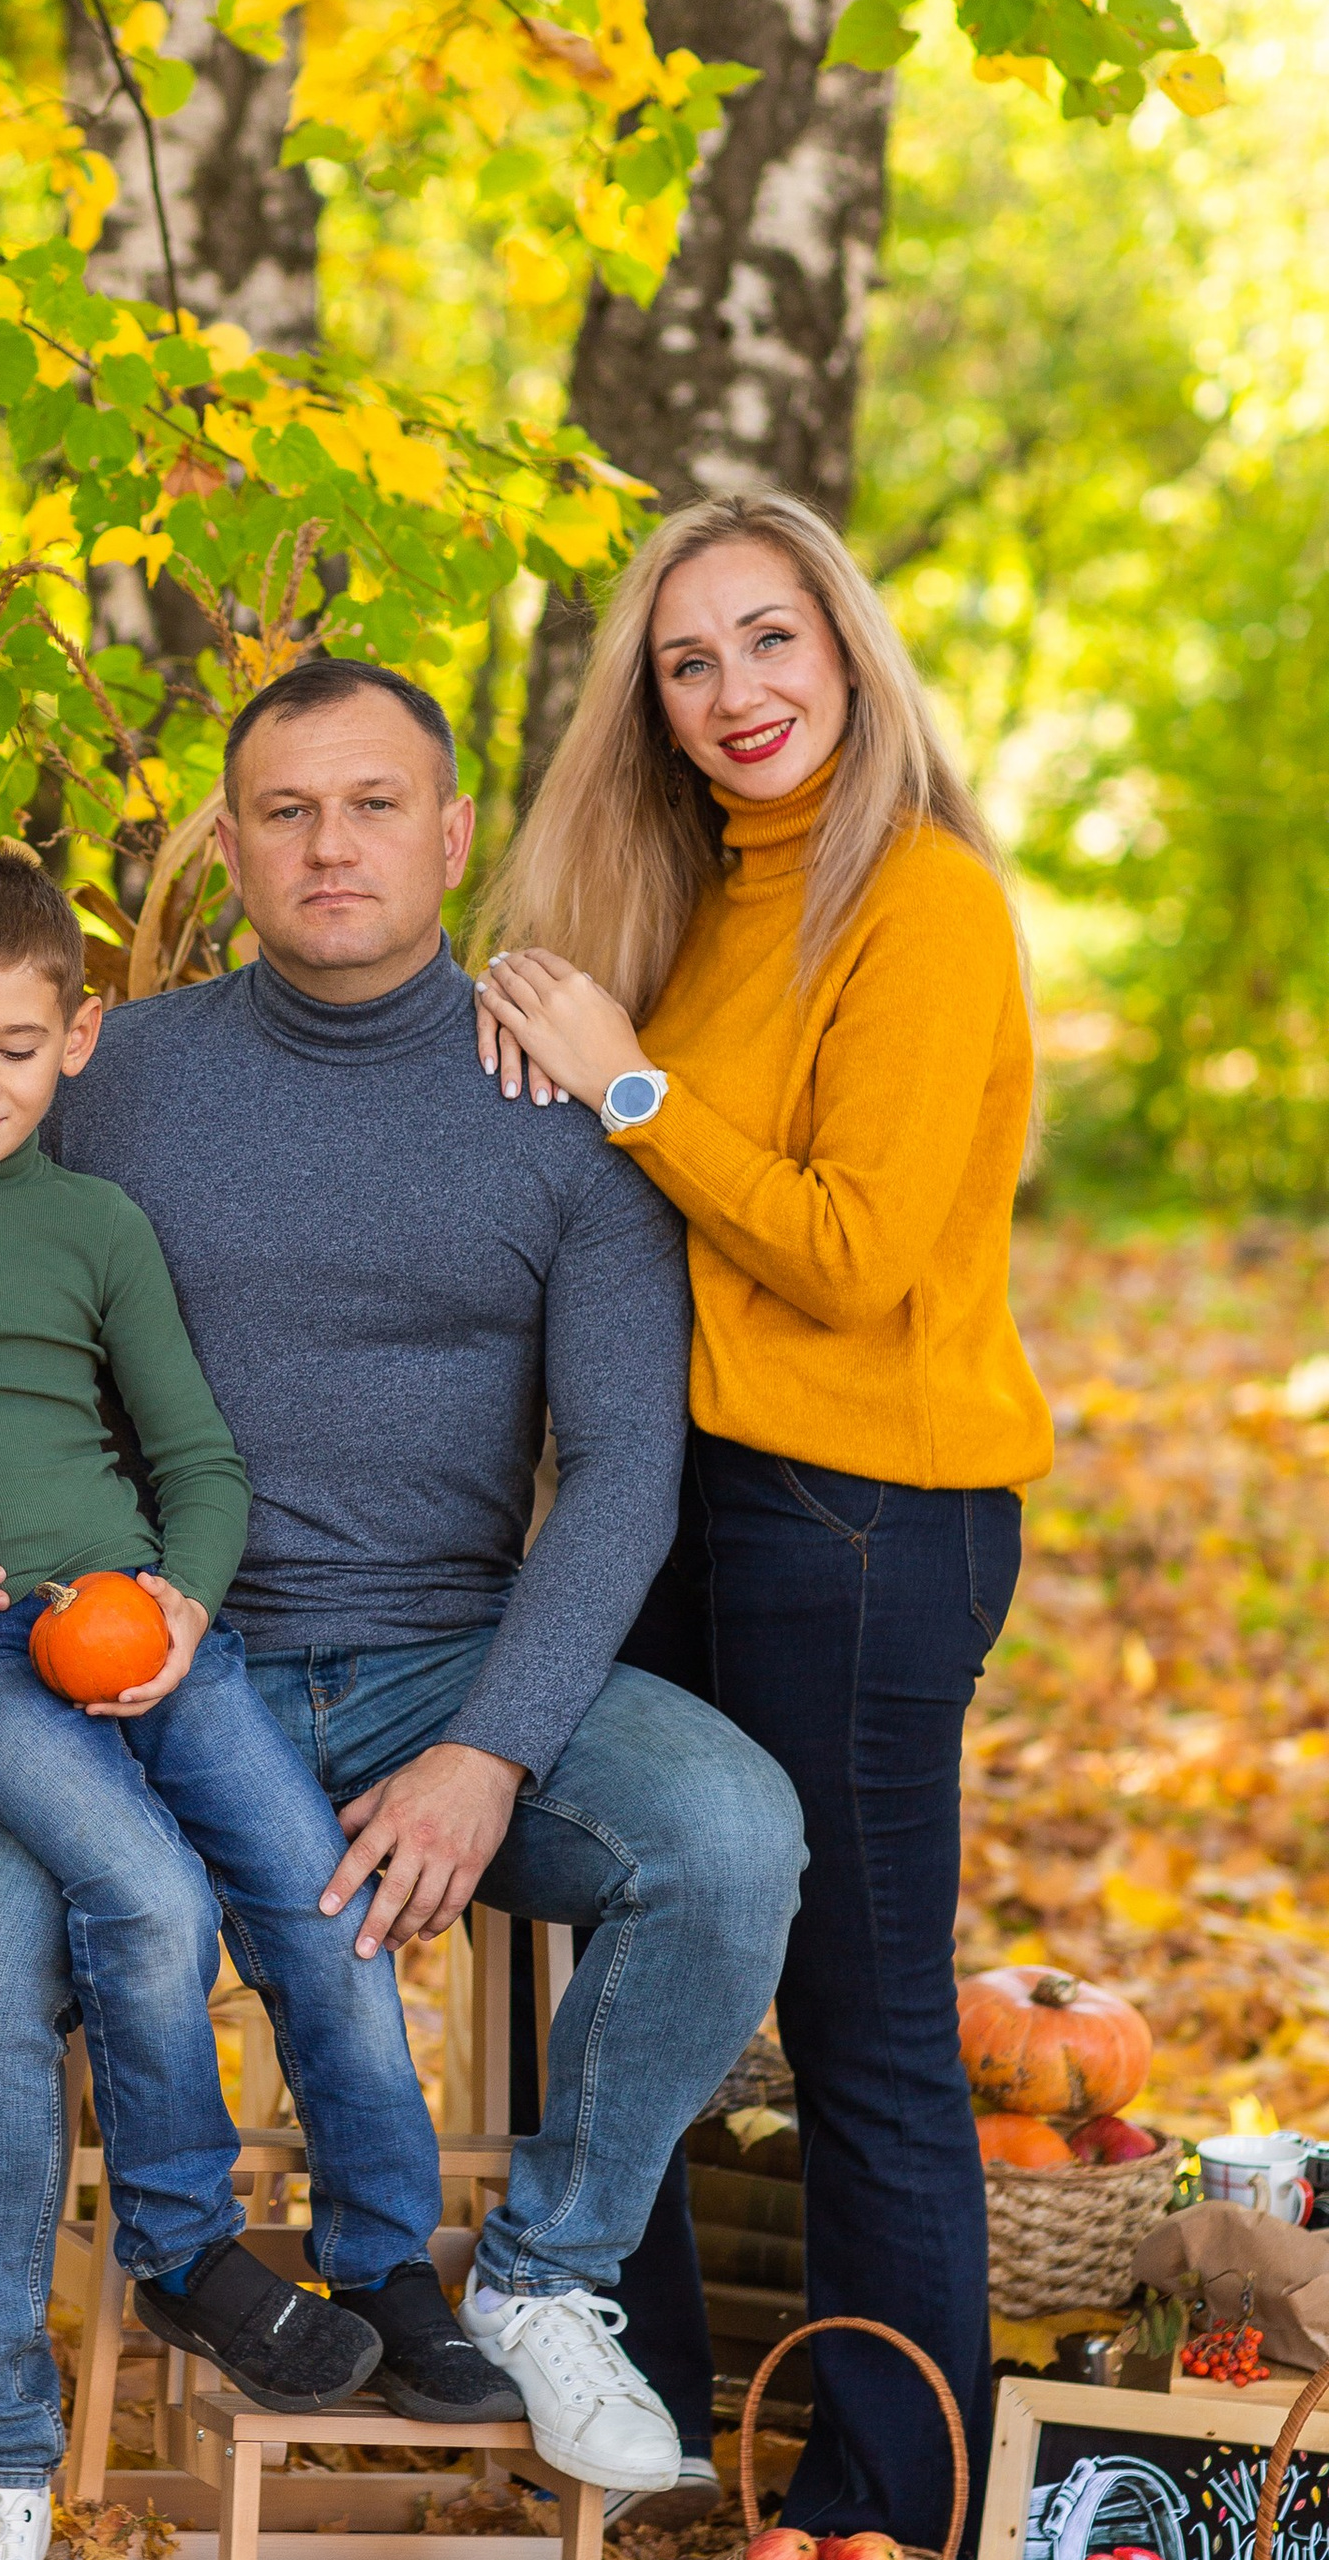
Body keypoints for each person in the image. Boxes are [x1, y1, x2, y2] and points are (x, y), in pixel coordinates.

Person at [0, 660, 810, 2560]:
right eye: (283, 810)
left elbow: (623, 1472)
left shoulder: (552, 1100)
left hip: (445, 1656)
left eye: (370, 804)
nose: (328, 844)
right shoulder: (112, 1075)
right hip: (128, 1671)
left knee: (735, 1834)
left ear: (447, 835)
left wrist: (492, 1753)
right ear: (233, 844)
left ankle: (538, 2277)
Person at [0, 850, 520, 2435]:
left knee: (325, 1907)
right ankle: (184, 2246)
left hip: (139, 1627)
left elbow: (201, 1466)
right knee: (146, 1889)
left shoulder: (97, 1226)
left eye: (19, 1047)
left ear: (76, 1043)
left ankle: (386, 2263)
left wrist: (185, 1605)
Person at [472, 489, 1053, 2549]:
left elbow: (851, 1251)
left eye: (768, 640)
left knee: (859, 2020)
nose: (732, 692)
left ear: (846, 650)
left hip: (868, 1515)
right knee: (631, 1946)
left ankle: (886, 2497)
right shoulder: (696, 899)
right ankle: (655, 2462)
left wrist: (629, 1086)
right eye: (685, 659)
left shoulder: (919, 902)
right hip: (683, 1499)